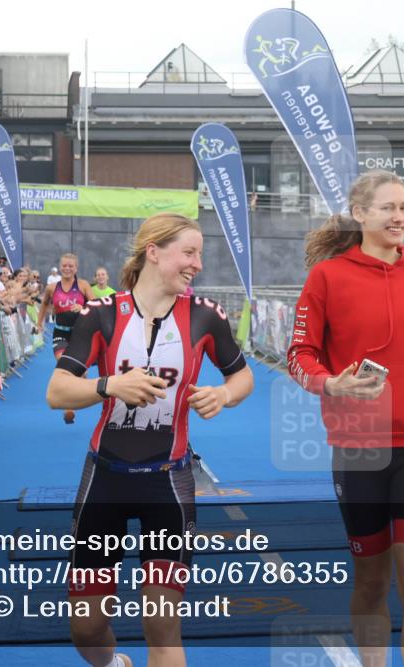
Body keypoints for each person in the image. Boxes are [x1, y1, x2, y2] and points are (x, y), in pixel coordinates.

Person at [286, 170, 404, 667]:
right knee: (372, 580)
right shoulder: (327, 277)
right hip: (359, 445)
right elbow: (300, 354)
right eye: (388, 207)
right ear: (360, 214)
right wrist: (329, 383)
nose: (400, 217)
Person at [46, 213, 254, 667]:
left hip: (169, 482)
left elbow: (243, 377)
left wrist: (223, 394)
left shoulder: (205, 315)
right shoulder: (100, 314)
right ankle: (112, 663)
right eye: (189, 252)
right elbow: (57, 391)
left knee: (162, 627)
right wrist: (110, 386)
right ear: (153, 252)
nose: (198, 264)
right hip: (105, 480)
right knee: (86, 628)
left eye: (200, 254)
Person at [37, 253, 94, 424]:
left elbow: (96, 306)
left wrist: (83, 307)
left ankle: (76, 395)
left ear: (76, 268)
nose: (67, 268)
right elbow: (44, 304)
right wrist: (39, 323)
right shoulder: (52, 288)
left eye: (71, 266)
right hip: (60, 333)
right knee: (65, 365)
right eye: (64, 265)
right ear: (60, 267)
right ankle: (69, 408)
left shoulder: (83, 285)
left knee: (79, 371)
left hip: (80, 334)